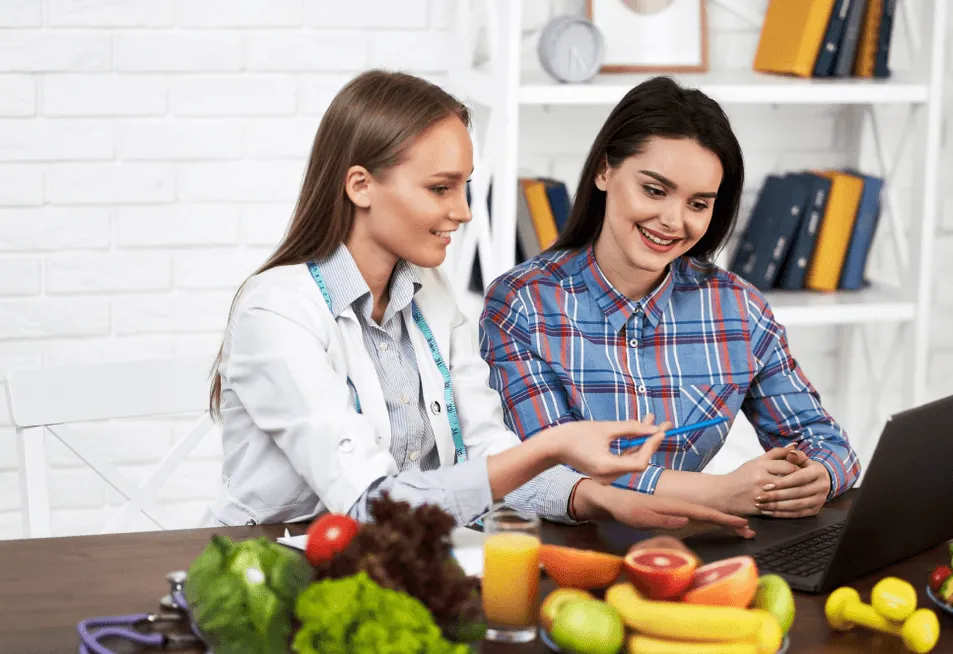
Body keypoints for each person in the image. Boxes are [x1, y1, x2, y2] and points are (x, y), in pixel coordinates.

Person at [203, 69, 751, 535]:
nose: (464, 211)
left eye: (466, 186)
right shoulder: (276, 311)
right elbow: (371, 505)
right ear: (361, 186)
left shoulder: (428, 292)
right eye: (441, 188)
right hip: (269, 577)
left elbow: (487, 452)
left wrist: (593, 497)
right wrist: (553, 446)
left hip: (401, 564)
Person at [481, 76, 861, 527]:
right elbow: (552, 474)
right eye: (655, 191)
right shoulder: (523, 304)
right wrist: (723, 493)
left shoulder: (738, 310)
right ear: (604, 171)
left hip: (691, 548)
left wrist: (817, 476)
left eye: (698, 204)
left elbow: (827, 443)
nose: (673, 221)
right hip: (567, 551)